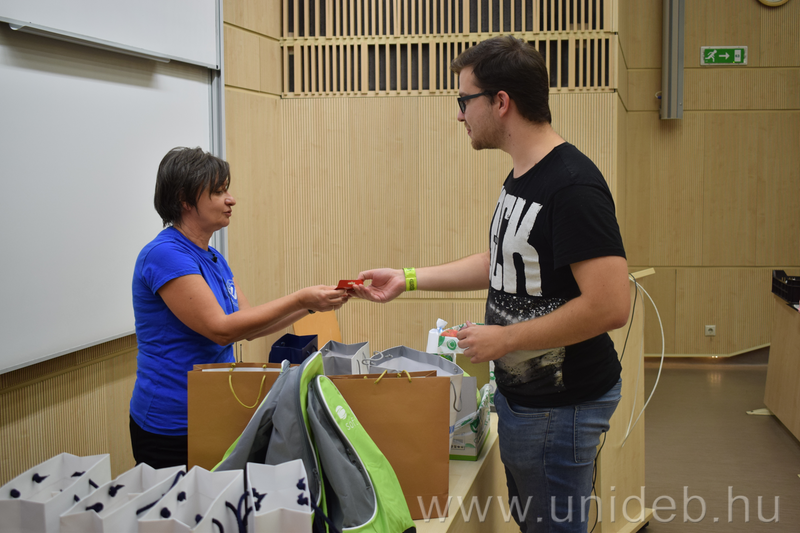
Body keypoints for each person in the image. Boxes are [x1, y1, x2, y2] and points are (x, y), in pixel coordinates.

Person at [351, 36, 630, 533]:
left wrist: (506, 339)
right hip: (527, 402)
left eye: (465, 100)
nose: (459, 114)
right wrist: (409, 279)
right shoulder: (524, 175)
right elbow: (501, 261)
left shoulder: (572, 185)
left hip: (560, 408)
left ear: (501, 102)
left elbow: (610, 305)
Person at [130, 147, 349, 469]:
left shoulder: (213, 257)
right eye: (219, 192)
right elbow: (220, 330)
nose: (231, 200)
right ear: (185, 199)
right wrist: (300, 299)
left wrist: (313, 306)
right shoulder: (166, 254)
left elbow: (247, 326)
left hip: (212, 408)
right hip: (172, 422)